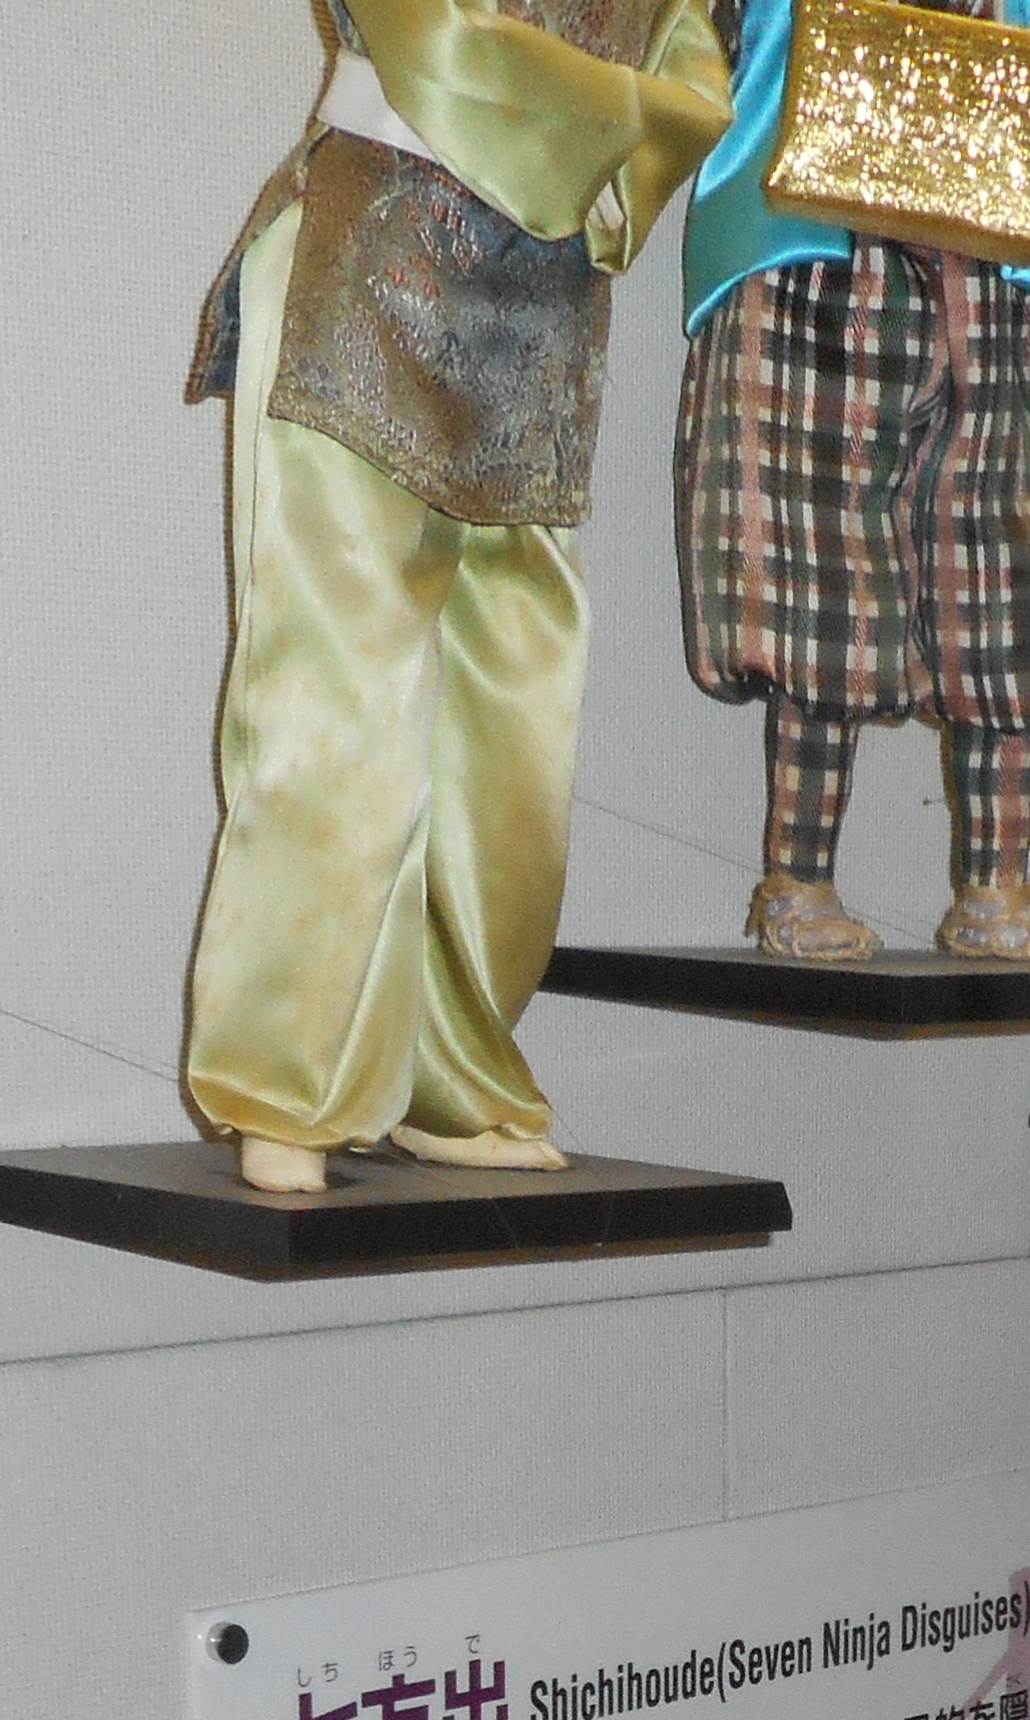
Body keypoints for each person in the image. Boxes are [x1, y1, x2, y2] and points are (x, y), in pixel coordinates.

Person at [185, 0, 735, 1198]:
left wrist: (610, 136)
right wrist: (607, 120)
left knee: (513, 712)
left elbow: (695, 76)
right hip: (364, 253)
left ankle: (454, 1068)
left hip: (540, 305)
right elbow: (434, 37)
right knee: (338, 689)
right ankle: (291, 1074)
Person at [670, 0, 1030, 962]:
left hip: (1024, 253)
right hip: (824, 229)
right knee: (815, 555)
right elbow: (703, 41)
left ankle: (995, 885)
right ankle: (798, 875)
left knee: (1018, 558)